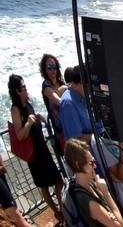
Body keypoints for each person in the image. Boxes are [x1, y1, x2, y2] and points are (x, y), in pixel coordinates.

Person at [8, 75, 63, 219]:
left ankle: (62, 211)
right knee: (45, 186)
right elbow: (20, 135)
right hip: (35, 155)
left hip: (42, 149)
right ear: (17, 91)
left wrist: (38, 117)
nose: (26, 89)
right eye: (23, 87)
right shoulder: (16, 109)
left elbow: (31, 120)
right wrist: (28, 123)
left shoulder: (26, 103)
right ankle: (58, 212)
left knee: (58, 181)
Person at [62, 138, 123, 227]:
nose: (95, 166)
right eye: (91, 163)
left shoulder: (80, 184)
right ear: (77, 165)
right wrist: (106, 194)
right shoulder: (88, 201)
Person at [39, 54, 66, 155]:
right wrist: (64, 89)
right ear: (45, 70)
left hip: (72, 123)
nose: (53, 70)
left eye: (54, 67)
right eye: (49, 67)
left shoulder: (61, 82)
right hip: (61, 131)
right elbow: (58, 101)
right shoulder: (46, 86)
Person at [60, 65, 93, 143]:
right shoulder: (68, 104)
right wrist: (97, 138)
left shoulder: (82, 95)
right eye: (88, 86)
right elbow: (76, 139)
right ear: (78, 84)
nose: (90, 89)